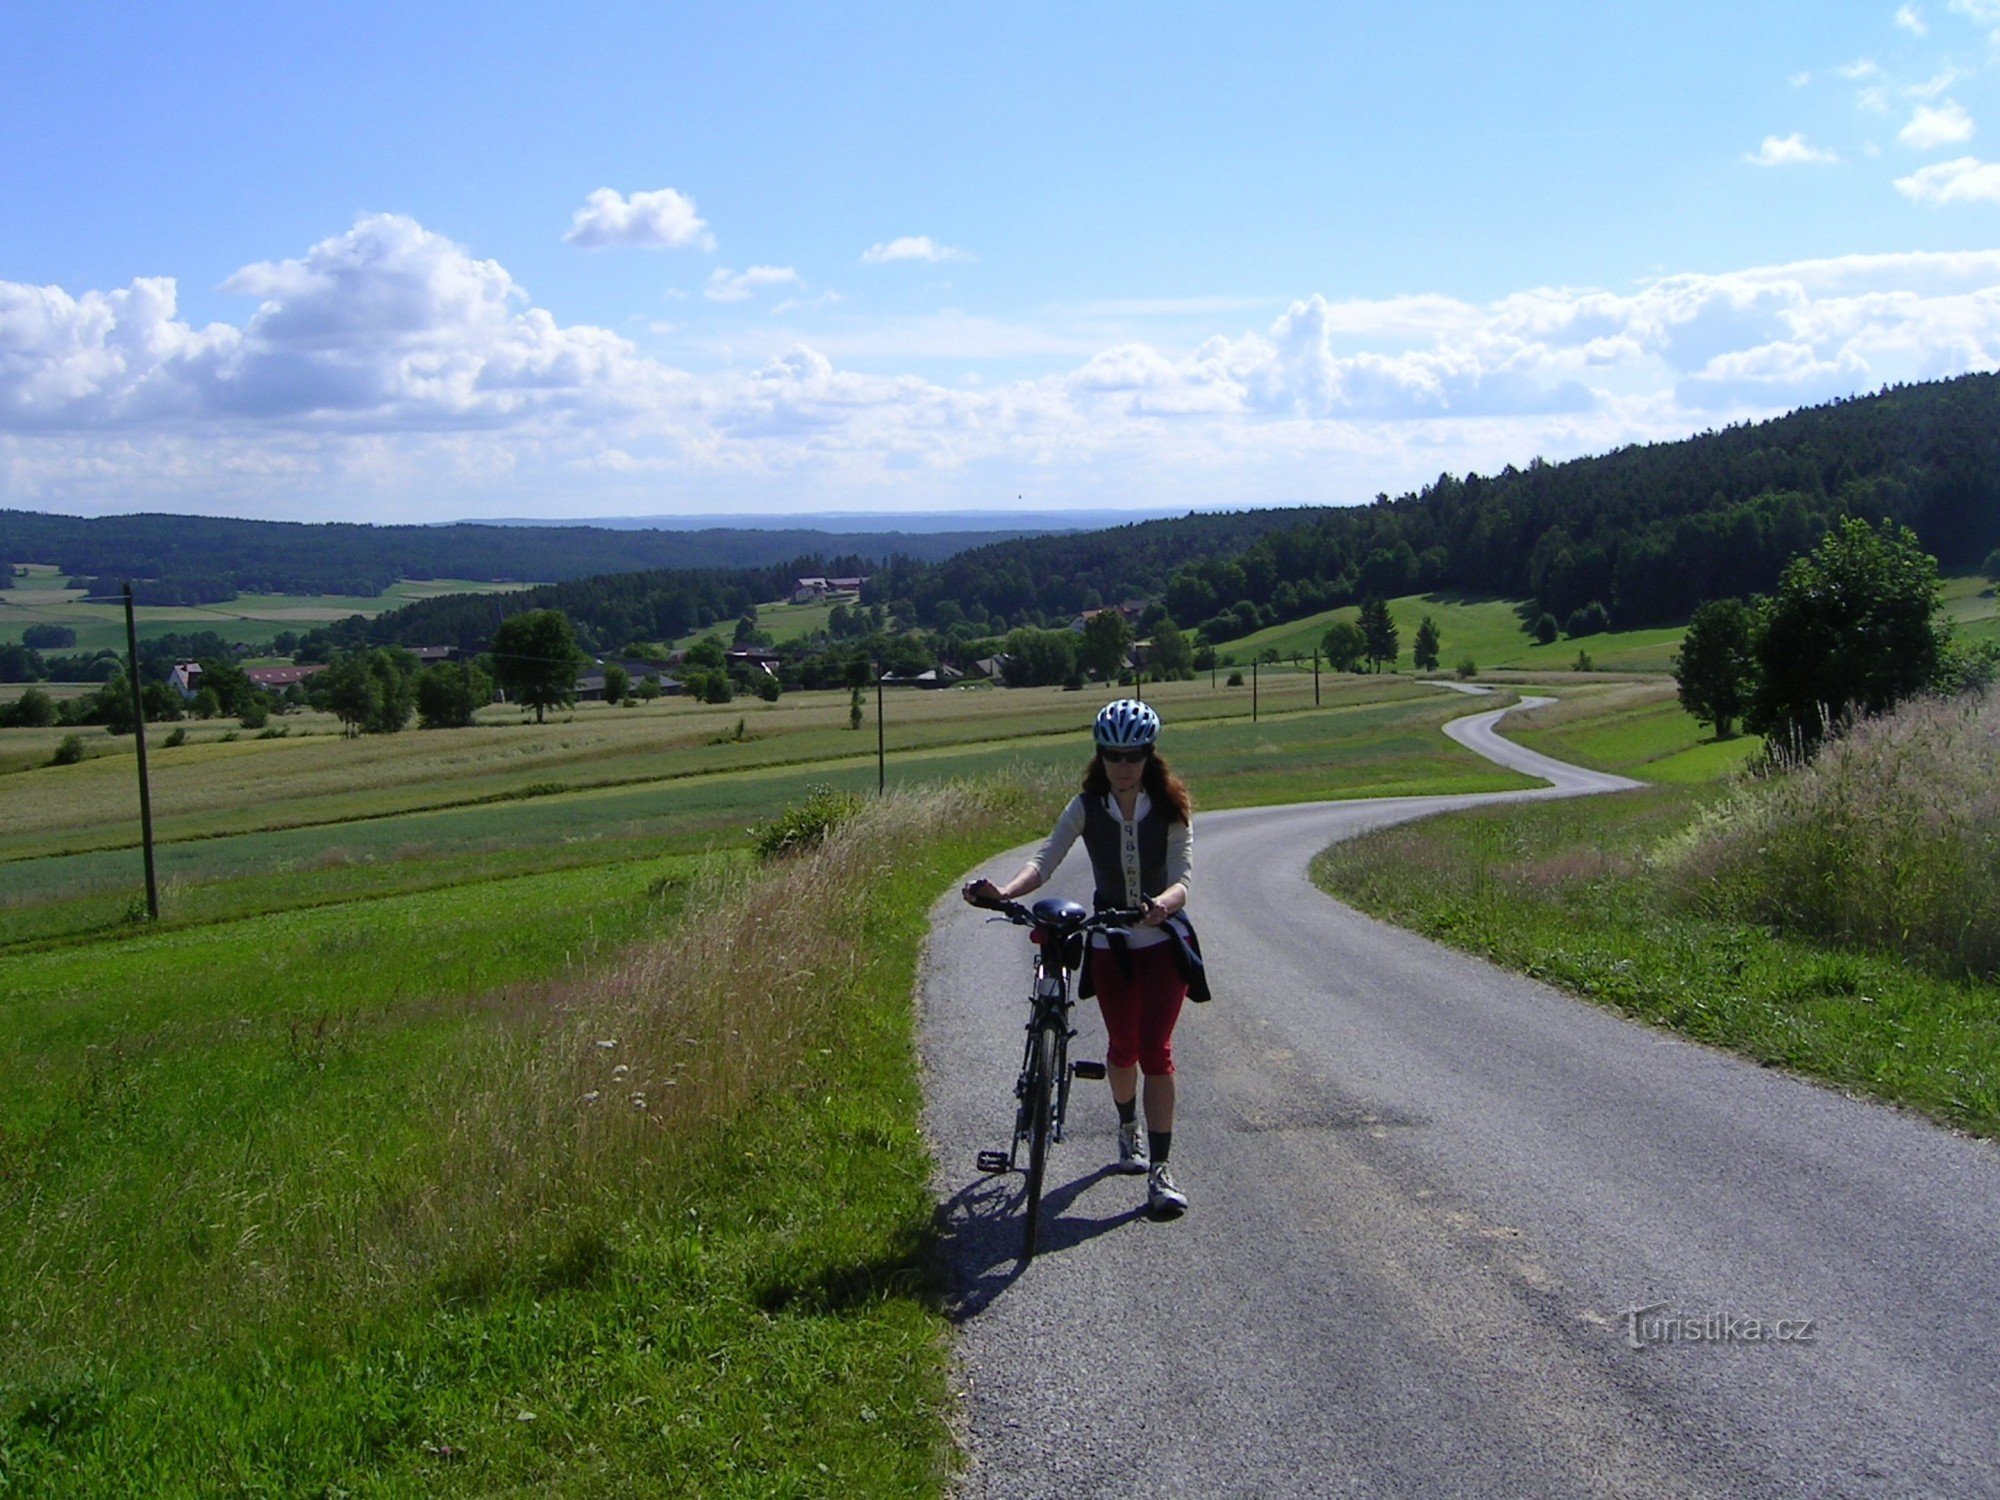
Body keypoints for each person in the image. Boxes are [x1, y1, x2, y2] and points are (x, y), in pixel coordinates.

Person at [964, 698, 1198, 1217]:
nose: (1123, 766)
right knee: (1121, 1049)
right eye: (1113, 755)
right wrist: (1004, 891)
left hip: (1163, 944)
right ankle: (1126, 1131)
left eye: (1132, 755)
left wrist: (1162, 905)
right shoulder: (1086, 806)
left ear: (1148, 755)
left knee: (1156, 1051)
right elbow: (1045, 860)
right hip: (1109, 942)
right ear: (1100, 756)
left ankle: (1160, 1174)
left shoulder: (1170, 806)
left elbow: (1183, 876)